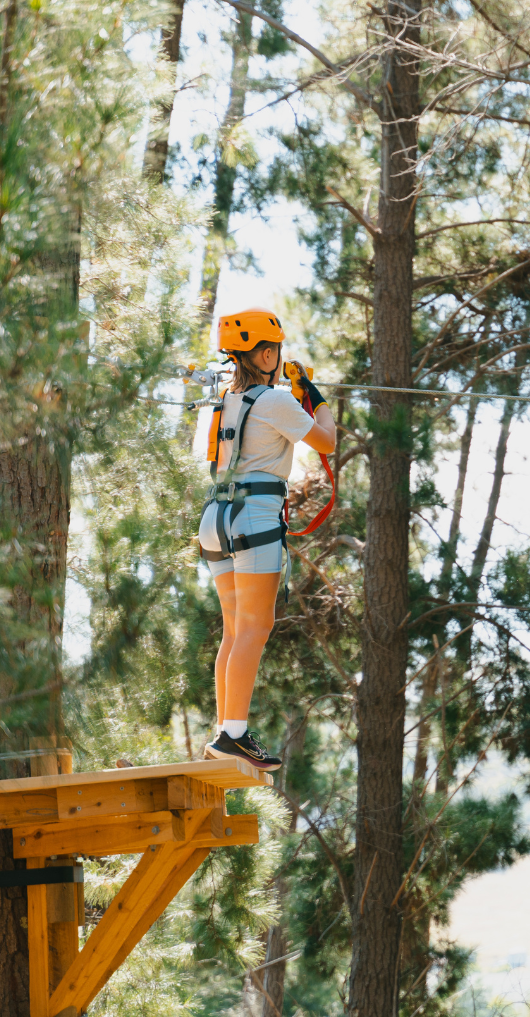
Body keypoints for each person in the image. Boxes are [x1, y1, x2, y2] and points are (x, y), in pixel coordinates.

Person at [194, 308, 335, 769]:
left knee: (235, 629)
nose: (275, 357)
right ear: (263, 353)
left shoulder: (222, 402)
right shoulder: (274, 401)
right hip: (253, 517)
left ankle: (225, 730)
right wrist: (313, 395)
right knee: (256, 627)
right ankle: (233, 734)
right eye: (272, 349)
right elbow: (327, 442)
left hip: (215, 517)